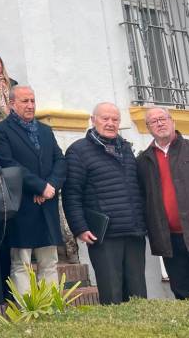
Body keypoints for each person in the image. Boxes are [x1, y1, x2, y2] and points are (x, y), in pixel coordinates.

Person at [63, 102, 147, 305]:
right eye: (105, 118)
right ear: (93, 120)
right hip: (105, 235)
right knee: (112, 294)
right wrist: (80, 228)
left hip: (134, 232)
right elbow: (71, 193)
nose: (110, 123)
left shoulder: (126, 148)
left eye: (115, 119)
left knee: (138, 295)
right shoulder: (78, 151)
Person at [0, 85, 67, 295]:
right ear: (12, 104)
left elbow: (60, 161)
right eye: (25, 101)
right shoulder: (1, 131)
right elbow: (8, 164)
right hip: (22, 205)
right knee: (21, 263)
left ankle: (50, 306)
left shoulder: (45, 130)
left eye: (33, 101)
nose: (30, 105)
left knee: (49, 262)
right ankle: (27, 310)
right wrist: (40, 186)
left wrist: (50, 186)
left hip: (46, 206)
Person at [137, 107, 189, 301]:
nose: (159, 123)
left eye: (163, 118)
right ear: (148, 128)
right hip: (170, 241)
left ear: (173, 121)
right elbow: (143, 198)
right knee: (184, 296)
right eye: (153, 121)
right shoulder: (143, 161)